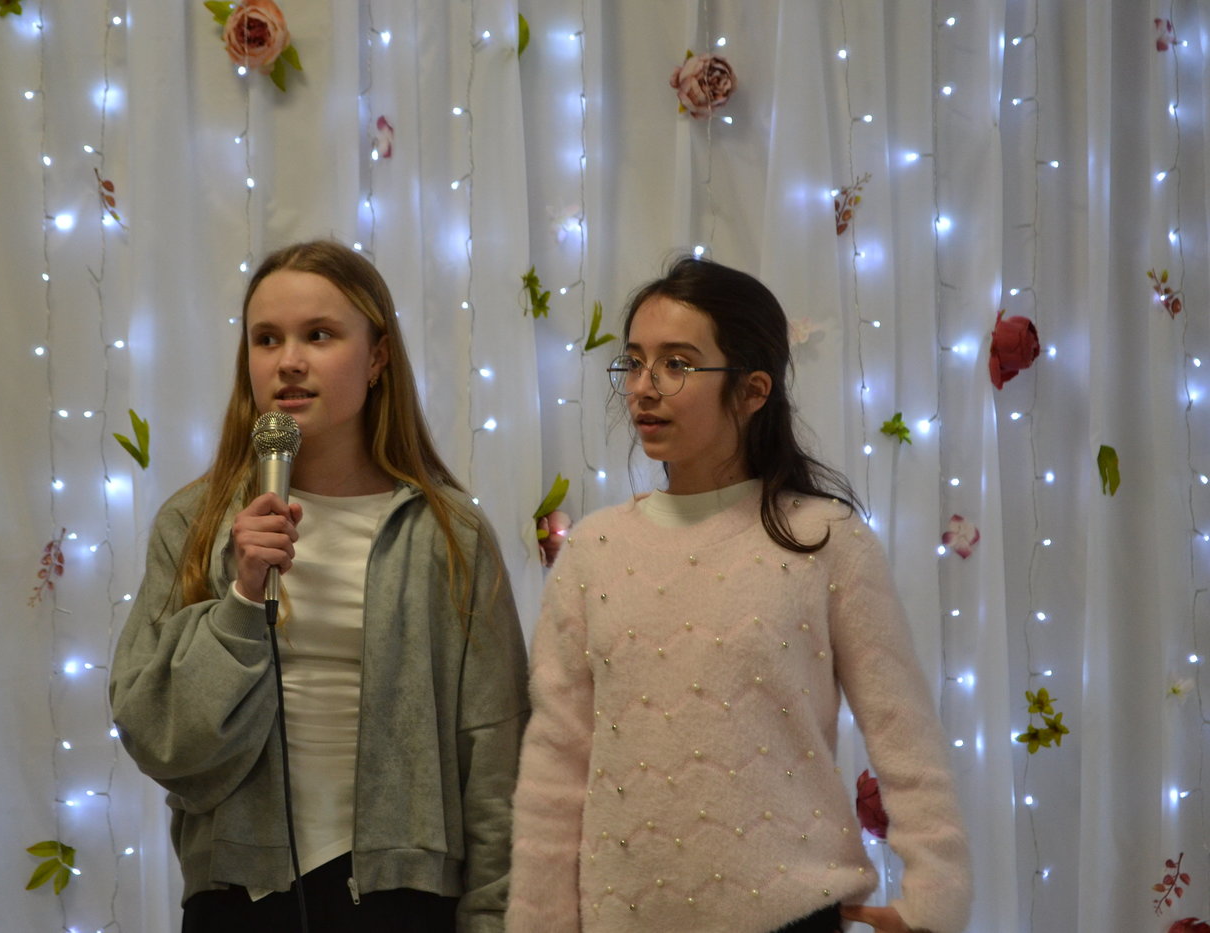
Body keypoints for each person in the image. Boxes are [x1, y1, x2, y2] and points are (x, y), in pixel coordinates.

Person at [505, 257, 972, 933]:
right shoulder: (593, 551)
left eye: (677, 364)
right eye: (634, 362)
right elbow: (556, 763)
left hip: (791, 915)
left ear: (753, 391)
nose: (643, 388)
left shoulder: (824, 541)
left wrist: (933, 902)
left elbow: (906, 737)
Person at [110, 239, 530, 932]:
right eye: (267, 339)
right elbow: (160, 738)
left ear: (378, 358)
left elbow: (493, 755)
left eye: (320, 335)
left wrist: (493, 919)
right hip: (240, 895)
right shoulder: (196, 523)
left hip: (405, 897)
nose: (289, 361)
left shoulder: (449, 535)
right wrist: (242, 598)